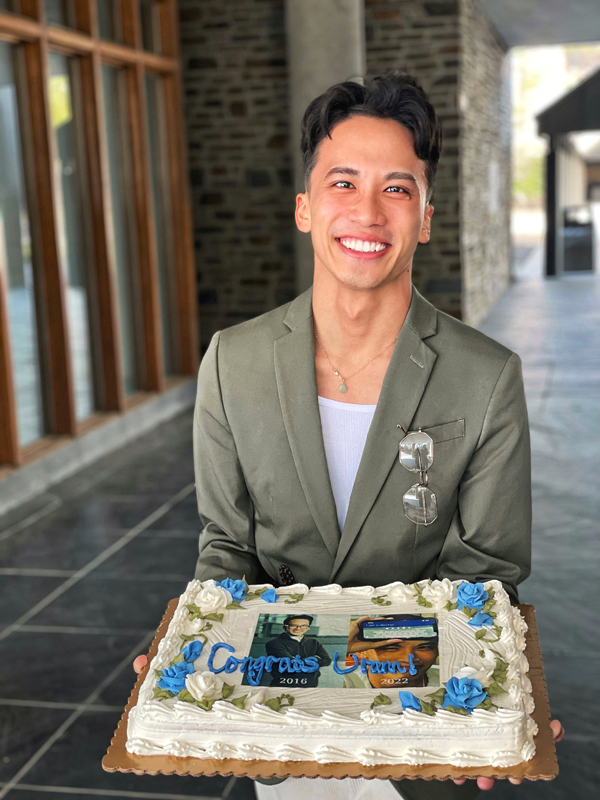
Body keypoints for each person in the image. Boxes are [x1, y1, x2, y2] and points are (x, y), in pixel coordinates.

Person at [135, 72, 564, 799]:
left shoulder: (487, 376)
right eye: (343, 182)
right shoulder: (231, 361)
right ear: (305, 207)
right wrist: (188, 646)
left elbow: (486, 570)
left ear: (426, 217)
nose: (367, 211)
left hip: (422, 735)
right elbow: (227, 549)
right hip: (278, 720)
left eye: (397, 188)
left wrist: (481, 698)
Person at [343, 615, 439, 689]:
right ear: (360, 652)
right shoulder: (343, 681)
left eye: (424, 647)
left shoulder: (447, 680)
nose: (408, 658)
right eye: (391, 648)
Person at [263, 615, 332, 688]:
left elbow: (327, 660)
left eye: (303, 625)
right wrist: (314, 659)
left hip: (310, 683)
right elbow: (291, 662)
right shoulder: (274, 643)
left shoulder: (314, 642)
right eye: (293, 625)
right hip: (284, 684)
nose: (298, 628)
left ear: (308, 628)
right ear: (285, 627)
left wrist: (302, 660)